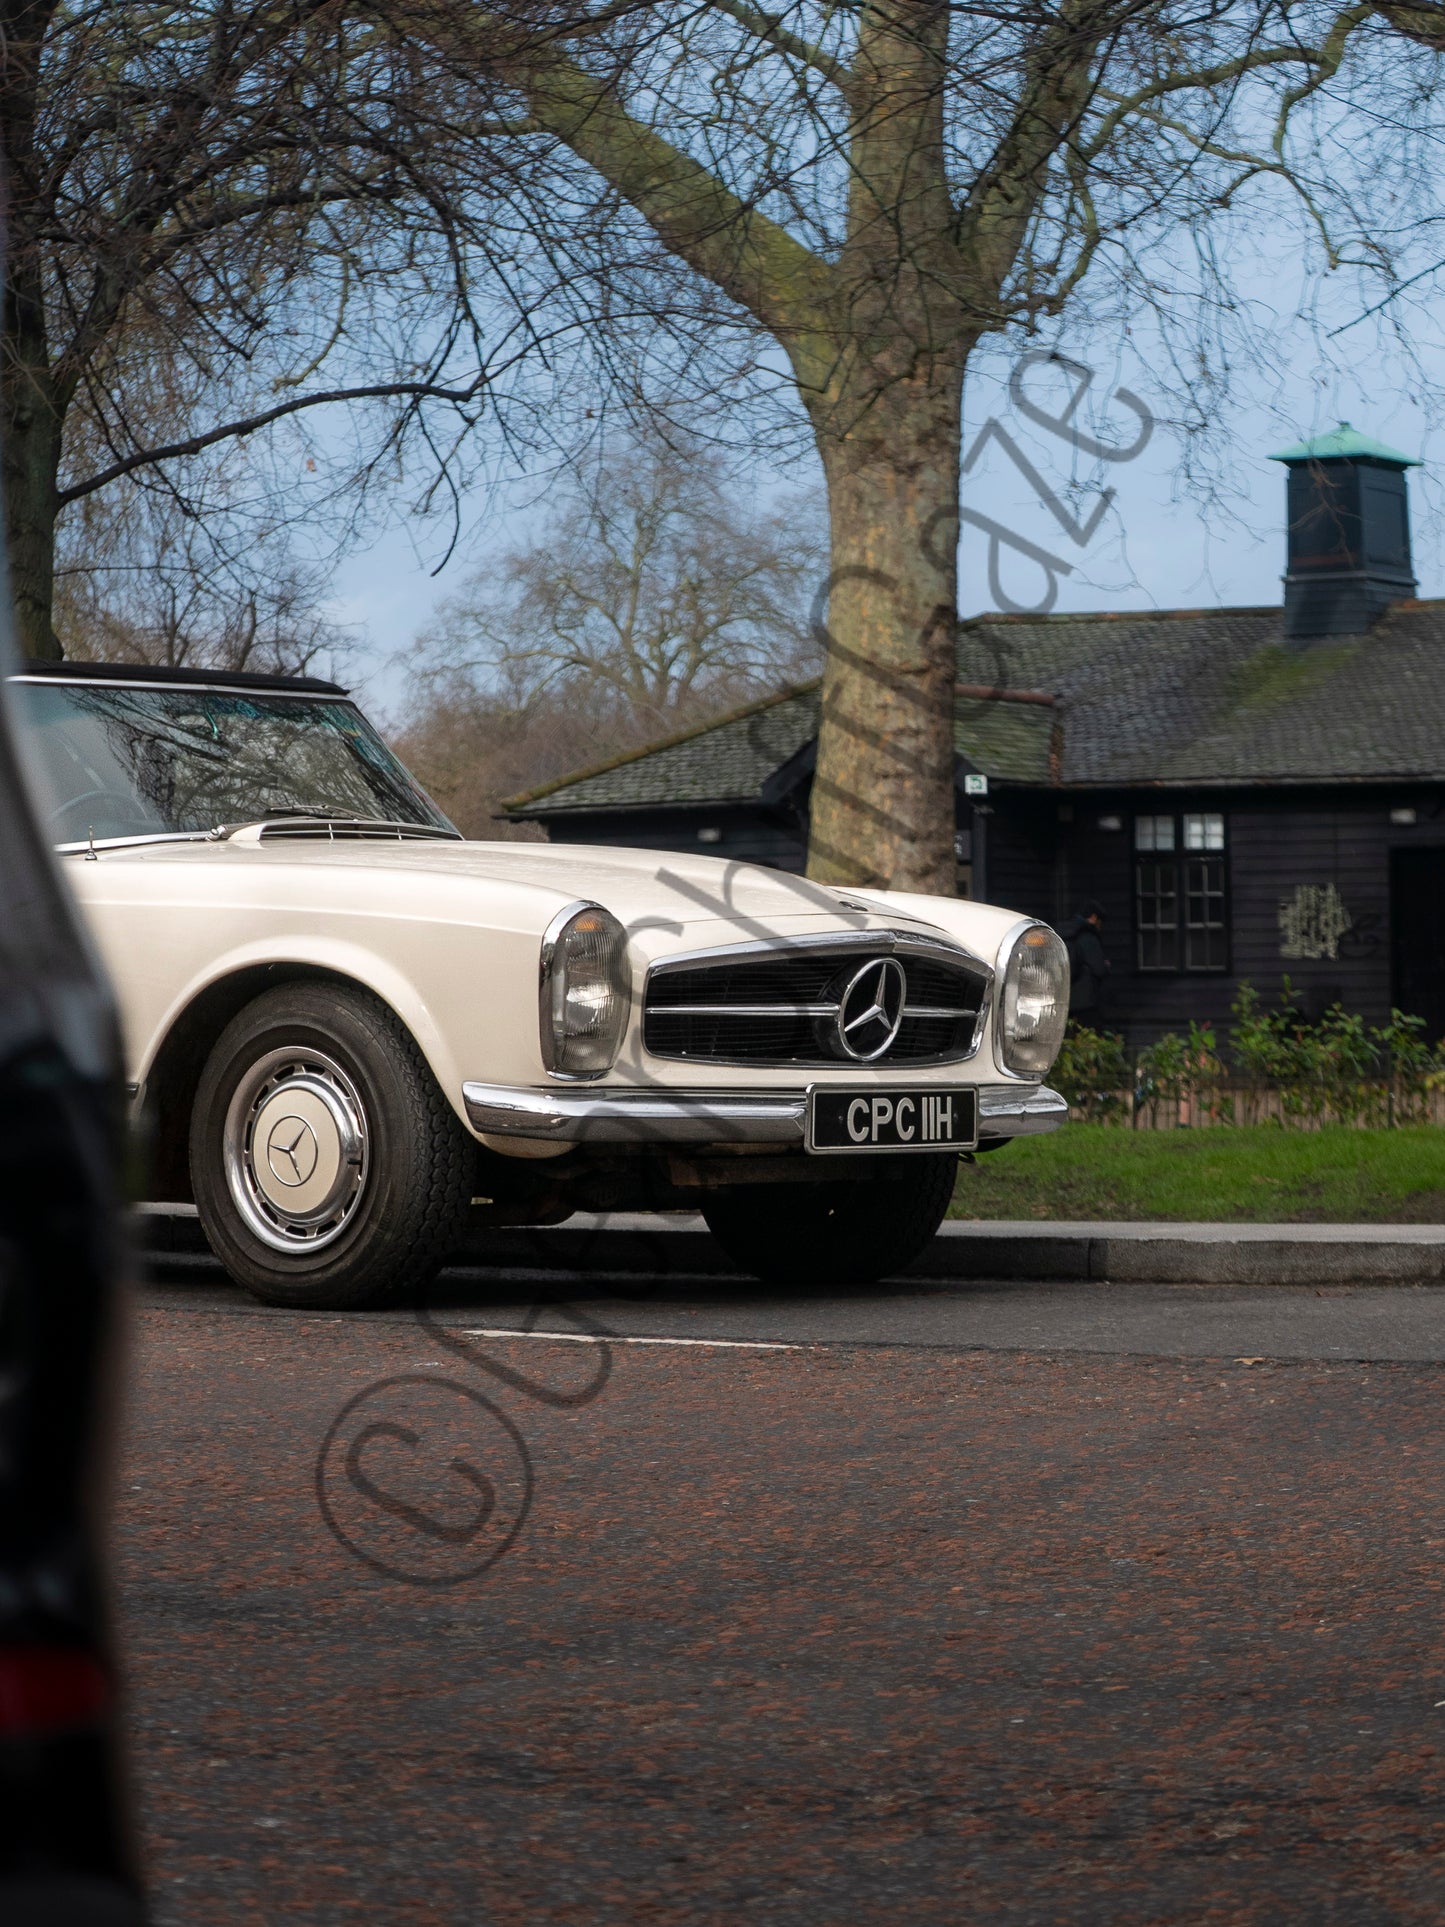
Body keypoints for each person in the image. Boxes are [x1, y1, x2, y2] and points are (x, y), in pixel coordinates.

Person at [1058, 900, 1110, 1020]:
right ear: (1093, 917)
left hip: (1063, 999)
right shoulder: (1088, 936)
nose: (1100, 927)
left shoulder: (1063, 933)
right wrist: (1106, 965)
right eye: (1100, 922)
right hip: (1086, 1003)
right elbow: (1099, 969)